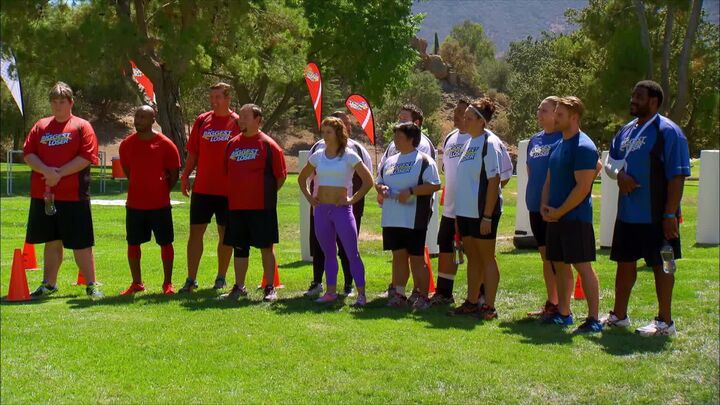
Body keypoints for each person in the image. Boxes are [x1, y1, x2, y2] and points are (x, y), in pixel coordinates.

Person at [600, 80, 690, 337]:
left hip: (658, 215)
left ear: (653, 101)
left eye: (639, 96)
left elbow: (677, 176)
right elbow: (610, 163)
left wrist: (670, 214)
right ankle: (619, 316)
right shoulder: (625, 131)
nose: (633, 100)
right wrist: (620, 175)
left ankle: (665, 322)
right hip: (628, 214)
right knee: (624, 262)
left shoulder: (669, 132)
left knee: (664, 264)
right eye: (633, 95)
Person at [23, 82, 104, 299]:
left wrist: (58, 174)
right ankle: (49, 284)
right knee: (51, 240)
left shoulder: (81, 126)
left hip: (74, 195)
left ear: (71, 103)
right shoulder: (41, 126)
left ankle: (91, 284)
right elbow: (28, 153)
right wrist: (46, 171)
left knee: (81, 243)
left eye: (62, 101)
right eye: (54, 101)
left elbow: (86, 157)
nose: (57, 106)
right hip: (44, 196)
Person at [541, 96, 602, 334]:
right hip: (555, 217)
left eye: (560, 115)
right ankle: (564, 314)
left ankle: (594, 318)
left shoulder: (584, 146)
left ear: (574, 117)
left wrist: (560, 211)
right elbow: (549, 178)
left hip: (575, 218)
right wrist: (545, 205)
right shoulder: (559, 145)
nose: (555, 118)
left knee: (582, 266)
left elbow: (583, 187)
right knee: (559, 264)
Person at [298, 117, 374, 306]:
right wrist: (310, 198)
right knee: (328, 253)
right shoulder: (318, 155)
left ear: (338, 133)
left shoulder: (349, 155)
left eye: (328, 132)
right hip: (321, 211)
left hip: (342, 211)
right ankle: (330, 292)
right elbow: (302, 178)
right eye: (323, 132)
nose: (325, 136)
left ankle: (361, 294)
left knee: (352, 253)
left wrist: (352, 199)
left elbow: (368, 181)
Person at [220, 104, 287, 302]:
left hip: (261, 206)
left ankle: (270, 287)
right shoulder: (232, 144)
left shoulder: (268, 145)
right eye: (240, 116)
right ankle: (239, 286)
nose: (240, 120)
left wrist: (265, 193)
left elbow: (280, 177)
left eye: (245, 117)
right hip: (236, 206)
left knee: (266, 247)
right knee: (240, 248)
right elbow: (227, 172)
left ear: (258, 119)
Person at [179, 83, 239, 292]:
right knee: (196, 233)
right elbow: (193, 152)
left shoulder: (237, 122)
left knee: (225, 234)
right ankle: (191, 279)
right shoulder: (202, 120)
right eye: (211, 97)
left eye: (218, 97)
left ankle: (221, 277)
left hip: (227, 190)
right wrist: (185, 175)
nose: (214, 101)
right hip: (203, 188)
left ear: (228, 98)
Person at [449, 98, 505, 320]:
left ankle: (489, 306)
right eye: (465, 117)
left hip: (482, 212)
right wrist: (457, 215)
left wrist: (487, 216)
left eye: (470, 118)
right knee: (473, 258)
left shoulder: (489, 143)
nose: (465, 121)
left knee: (487, 258)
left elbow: (494, 180)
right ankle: (472, 302)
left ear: (482, 121)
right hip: (466, 213)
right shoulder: (468, 143)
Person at [377, 123, 441, 311]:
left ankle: (423, 296)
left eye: (399, 137)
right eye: (395, 136)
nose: (395, 140)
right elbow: (378, 181)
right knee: (398, 256)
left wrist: (411, 191)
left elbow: (435, 185)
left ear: (411, 139)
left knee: (416, 258)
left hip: (413, 218)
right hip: (392, 217)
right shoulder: (389, 161)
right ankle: (399, 294)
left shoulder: (424, 161)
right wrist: (381, 188)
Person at [118, 106, 181, 296]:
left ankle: (167, 284)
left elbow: (174, 174)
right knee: (133, 243)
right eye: (137, 116)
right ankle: (137, 283)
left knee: (165, 242)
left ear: (153, 119)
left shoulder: (166, 144)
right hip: (135, 205)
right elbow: (129, 171)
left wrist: (160, 190)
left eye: (143, 117)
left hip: (159, 205)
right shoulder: (126, 144)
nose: (138, 120)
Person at [524, 96, 568, 318]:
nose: (539, 114)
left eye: (545, 110)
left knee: (558, 260)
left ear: (556, 114)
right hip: (535, 207)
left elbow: (594, 167)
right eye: (538, 109)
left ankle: (563, 307)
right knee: (545, 257)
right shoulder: (535, 140)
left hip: (554, 209)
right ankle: (552, 302)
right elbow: (531, 170)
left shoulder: (564, 138)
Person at [430, 99, 471, 305]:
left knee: (475, 251)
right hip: (450, 207)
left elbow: (502, 177)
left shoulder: (482, 139)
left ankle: (480, 295)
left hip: (472, 209)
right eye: (455, 110)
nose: (456, 114)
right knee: (446, 247)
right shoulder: (450, 138)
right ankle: (444, 293)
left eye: (461, 111)